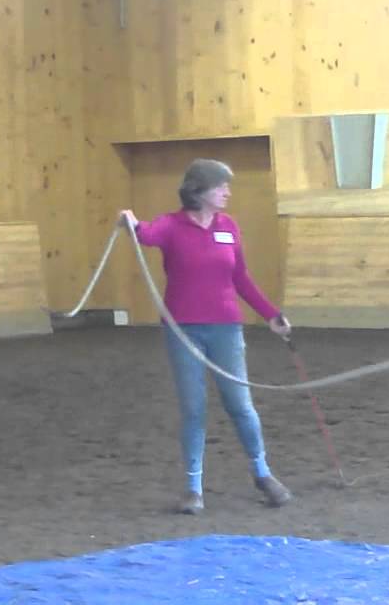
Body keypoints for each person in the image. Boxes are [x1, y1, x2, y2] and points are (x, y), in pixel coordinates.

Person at [120, 158, 294, 515]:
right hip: (184, 330)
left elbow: (241, 278)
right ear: (199, 191)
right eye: (221, 186)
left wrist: (270, 315)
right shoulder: (171, 226)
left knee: (240, 404)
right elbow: (146, 235)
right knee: (194, 408)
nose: (228, 192)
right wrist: (131, 223)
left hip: (226, 328)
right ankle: (193, 487)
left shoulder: (229, 227)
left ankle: (263, 474)